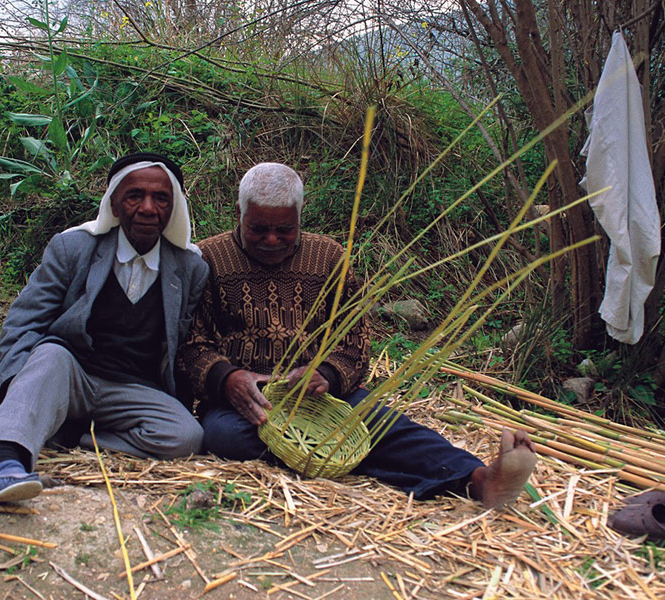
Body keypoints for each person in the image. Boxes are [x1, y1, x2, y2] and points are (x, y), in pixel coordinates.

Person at [177, 162, 536, 508]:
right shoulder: (206, 259)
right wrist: (228, 379)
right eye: (258, 229)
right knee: (221, 436)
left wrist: (327, 375)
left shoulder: (330, 258)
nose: (272, 240)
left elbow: (354, 342)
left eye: (285, 229)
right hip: (245, 407)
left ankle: (480, 480)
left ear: (300, 217)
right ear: (238, 214)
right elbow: (190, 343)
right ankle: (340, 455)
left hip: (318, 404)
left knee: (385, 425)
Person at [0, 152, 209, 503]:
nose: (147, 208)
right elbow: (23, 324)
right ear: (113, 202)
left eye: (161, 198)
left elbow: (182, 344)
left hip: (131, 389)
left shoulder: (189, 268)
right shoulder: (73, 248)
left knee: (185, 436)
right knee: (50, 353)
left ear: (174, 208)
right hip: (68, 374)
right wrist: (13, 392)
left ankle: (70, 434)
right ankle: (3, 463)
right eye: (134, 195)